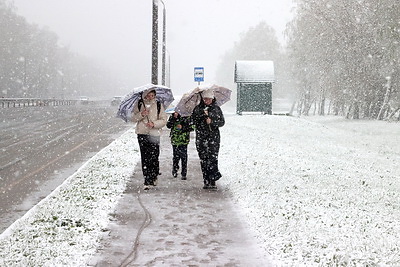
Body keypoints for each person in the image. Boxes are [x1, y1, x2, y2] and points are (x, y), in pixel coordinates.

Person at [131, 90, 167, 190]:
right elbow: (133, 118)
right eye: (148, 95)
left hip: (154, 134)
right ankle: (147, 179)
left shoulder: (158, 105)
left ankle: (154, 175)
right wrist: (141, 114)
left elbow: (164, 120)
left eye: (152, 95)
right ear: (144, 96)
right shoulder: (139, 104)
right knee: (145, 157)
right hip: (142, 134)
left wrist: (154, 124)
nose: (150, 97)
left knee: (154, 156)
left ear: (155, 96)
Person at [192, 89, 225, 190]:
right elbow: (193, 121)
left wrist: (212, 121)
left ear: (212, 98)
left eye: (209, 99)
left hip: (213, 138)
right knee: (204, 159)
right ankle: (206, 180)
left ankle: (213, 180)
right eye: (205, 99)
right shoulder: (197, 109)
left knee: (213, 159)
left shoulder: (216, 109)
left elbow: (222, 122)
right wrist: (203, 117)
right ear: (202, 99)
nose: (207, 101)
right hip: (201, 137)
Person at [166, 111, 193, 180]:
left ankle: (184, 172)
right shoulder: (173, 116)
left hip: (184, 140)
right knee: (176, 156)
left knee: (184, 156)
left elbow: (192, 127)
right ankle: (175, 169)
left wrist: (183, 127)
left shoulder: (188, 116)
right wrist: (174, 118)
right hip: (175, 140)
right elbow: (168, 125)